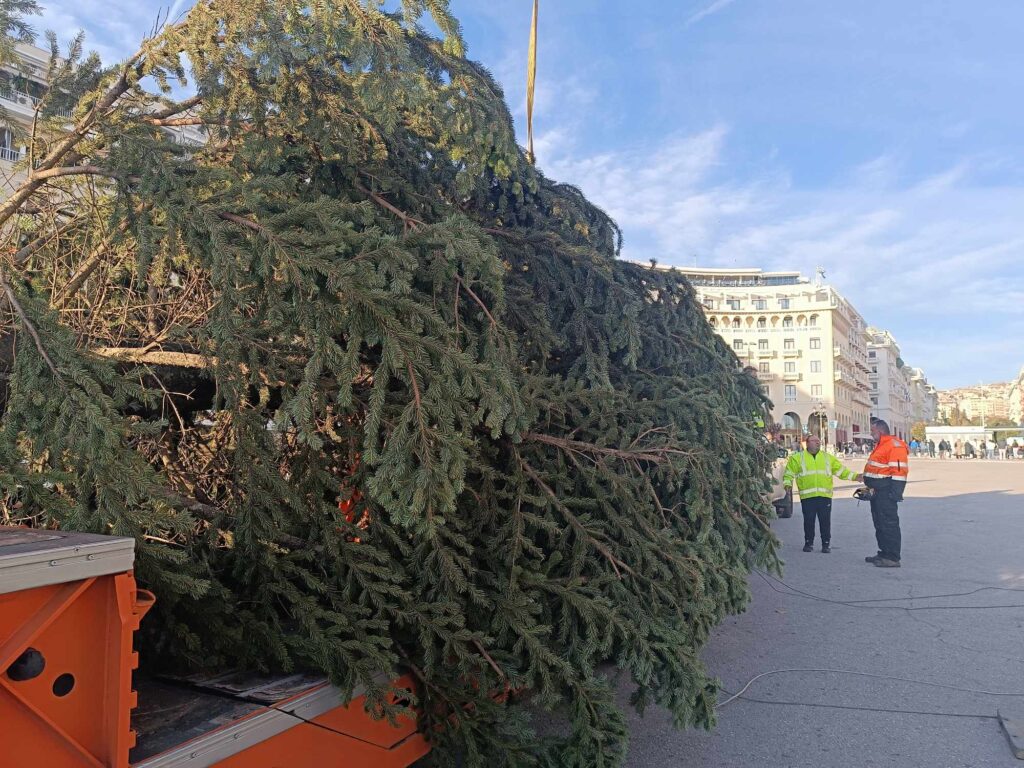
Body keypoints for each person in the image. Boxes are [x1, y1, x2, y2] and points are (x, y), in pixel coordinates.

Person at [783, 435, 858, 554]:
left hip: (824, 496)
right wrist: (787, 484)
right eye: (814, 441)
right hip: (807, 496)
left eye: (819, 441)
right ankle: (809, 543)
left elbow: (841, 471)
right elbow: (789, 473)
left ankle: (826, 544)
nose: (818, 443)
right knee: (809, 521)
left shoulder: (827, 458)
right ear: (807, 443)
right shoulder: (797, 458)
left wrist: (856, 477)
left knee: (825, 521)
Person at [859, 419, 909, 567]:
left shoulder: (894, 445)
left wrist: (895, 494)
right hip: (877, 491)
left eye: (872, 431)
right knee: (880, 523)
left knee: (889, 523)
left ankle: (892, 557)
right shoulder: (881, 444)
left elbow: (899, 471)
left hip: (886, 492)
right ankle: (884, 553)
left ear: (880, 431)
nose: (871, 434)